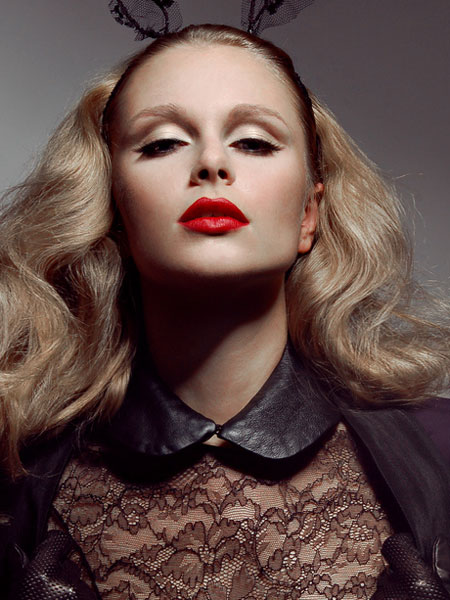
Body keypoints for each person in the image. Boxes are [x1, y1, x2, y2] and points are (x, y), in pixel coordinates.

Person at [0, 21, 449, 600]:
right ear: (113, 211)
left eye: (254, 142)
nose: (211, 163)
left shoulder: (440, 449)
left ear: (308, 215)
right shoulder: (15, 472)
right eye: (162, 143)